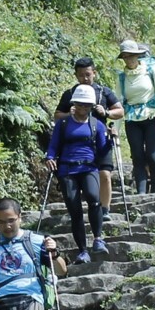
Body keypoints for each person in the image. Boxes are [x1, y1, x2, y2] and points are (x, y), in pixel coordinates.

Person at [46, 84, 114, 262]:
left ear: (91, 106)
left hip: (89, 167)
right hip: (67, 169)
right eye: (80, 104)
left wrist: (111, 140)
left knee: (94, 200)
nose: (83, 108)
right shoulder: (62, 124)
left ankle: (98, 239)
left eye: (87, 105)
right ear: (74, 104)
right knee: (74, 209)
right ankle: (82, 250)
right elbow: (53, 146)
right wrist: (49, 157)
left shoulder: (97, 125)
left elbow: (102, 150)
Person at [53, 58, 124, 225]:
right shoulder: (70, 94)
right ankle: (77, 209)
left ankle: (104, 209)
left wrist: (106, 113)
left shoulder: (103, 92)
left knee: (105, 174)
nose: (85, 78)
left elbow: (120, 111)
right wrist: (69, 114)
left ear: (94, 73)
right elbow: (57, 116)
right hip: (77, 142)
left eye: (88, 74)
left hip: (100, 139)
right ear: (76, 76)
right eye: (81, 75)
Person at [114, 39, 155, 194]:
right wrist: (115, 129)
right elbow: (118, 103)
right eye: (125, 56)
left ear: (138, 56)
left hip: (152, 117)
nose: (129, 59)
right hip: (132, 120)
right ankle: (141, 192)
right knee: (137, 157)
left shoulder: (151, 70)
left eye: (132, 55)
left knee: (153, 156)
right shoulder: (122, 78)